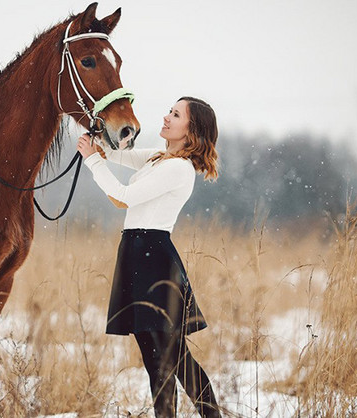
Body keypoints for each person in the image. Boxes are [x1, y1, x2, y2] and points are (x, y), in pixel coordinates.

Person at [77, 97, 221, 417]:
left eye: (175, 114)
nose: (166, 117)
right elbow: (117, 153)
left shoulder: (178, 169)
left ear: (191, 129)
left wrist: (92, 161)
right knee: (154, 356)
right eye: (170, 111)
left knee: (173, 358)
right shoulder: (158, 159)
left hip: (153, 260)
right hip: (135, 255)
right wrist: (99, 132)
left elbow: (123, 196)